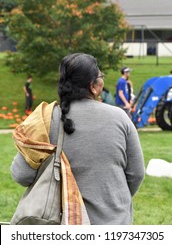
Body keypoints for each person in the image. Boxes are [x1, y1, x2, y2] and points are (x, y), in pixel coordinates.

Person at [10, 53, 144, 225]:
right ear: (94, 86)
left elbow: (21, 175)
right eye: (101, 76)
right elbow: (137, 174)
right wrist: (113, 201)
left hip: (61, 225)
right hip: (114, 224)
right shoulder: (120, 118)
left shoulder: (45, 120)